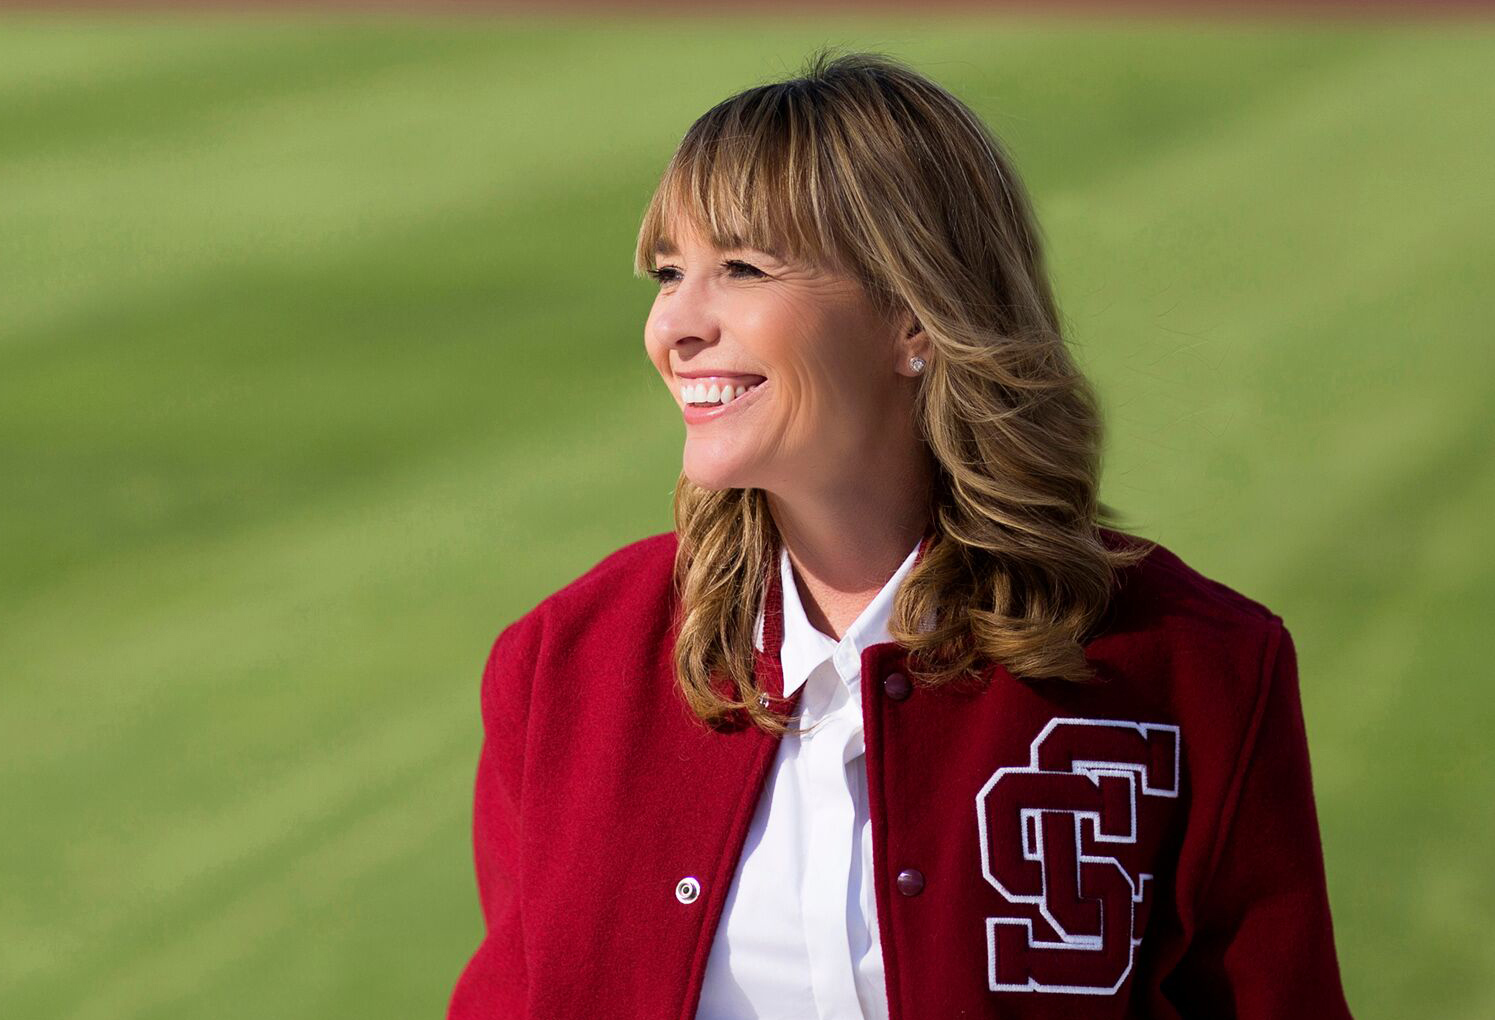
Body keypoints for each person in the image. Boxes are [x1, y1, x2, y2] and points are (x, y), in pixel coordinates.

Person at [447, 48, 1351, 1020]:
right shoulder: (563, 668)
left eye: (741, 268)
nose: (675, 324)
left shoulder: (1192, 670)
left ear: (913, 317)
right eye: (670, 273)